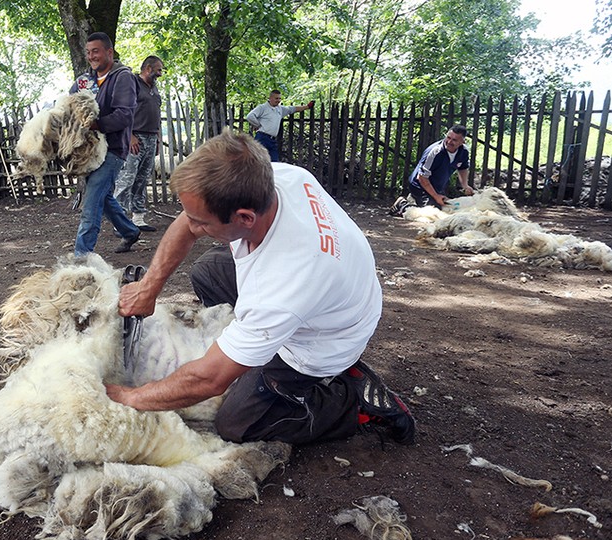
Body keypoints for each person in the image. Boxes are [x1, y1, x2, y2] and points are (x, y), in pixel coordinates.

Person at [106, 129, 415, 446]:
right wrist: (150, 287)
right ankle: (250, 344)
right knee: (207, 272)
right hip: (333, 296)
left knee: (238, 422)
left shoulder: (285, 282)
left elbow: (210, 379)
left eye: (202, 222)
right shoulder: (275, 177)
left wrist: (131, 397)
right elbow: (187, 221)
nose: (192, 227)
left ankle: (350, 402)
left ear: (244, 217)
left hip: (324, 341)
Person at [69, 32, 141, 255]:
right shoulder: (84, 81)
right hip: (90, 151)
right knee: (103, 197)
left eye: (96, 51)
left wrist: (93, 125)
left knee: (91, 203)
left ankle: (81, 257)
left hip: (112, 150)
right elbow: (70, 104)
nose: (91, 56)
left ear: (109, 52)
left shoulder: (123, 77)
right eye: (88, 52)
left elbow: (124, 116)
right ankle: (130, 231)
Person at [113, 55, 164, 232]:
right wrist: (130, 135)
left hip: (151, 138)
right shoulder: (133, 84)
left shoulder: (154, 88)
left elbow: (155, 114)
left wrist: (157, 139)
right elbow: (124, 110)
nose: (160, 74)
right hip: (134, 137)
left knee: (142, 179)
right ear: (148, 68)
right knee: (126, 178)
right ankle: (119, 223)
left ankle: (138, 218)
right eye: (158, 70)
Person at [390, 124, 473, 216]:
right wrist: (436, 196)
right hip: (419, 186)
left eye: (454, 140)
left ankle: (419, 200)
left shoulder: (464, 151)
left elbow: (463, 168)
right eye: (448, 137)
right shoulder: (435, 152)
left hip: (437, 187)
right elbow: (421, 177)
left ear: (462, 142)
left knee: (448, 208)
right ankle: (403, 205)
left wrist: (465, 185)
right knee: (432, 212)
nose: (449, 142)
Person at [245, 90, 314, 162]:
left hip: (272, 140)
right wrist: (258, 125)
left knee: (275, 162)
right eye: (276, 98)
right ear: (270, 98)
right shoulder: (262, 108)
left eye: (279, 98)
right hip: (262, 138)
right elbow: (250, 116)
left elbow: (293, 109)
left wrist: (307, 107)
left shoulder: (280, 109)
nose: (278, 100)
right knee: (259, 161)